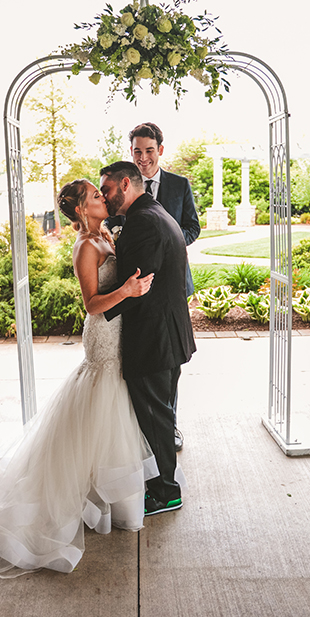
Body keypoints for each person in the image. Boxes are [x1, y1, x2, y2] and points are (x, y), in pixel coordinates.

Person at [0, 179, 154, 580]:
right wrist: (126, 290)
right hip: (103, 334)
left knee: (109, 414)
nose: (103, 198)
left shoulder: (106, 234)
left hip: (121, 331)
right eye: (95, 196)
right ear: (81, 209)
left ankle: (100, 492)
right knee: (103, 406)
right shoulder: (85, 247)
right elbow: (91, 305)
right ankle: (94, 498)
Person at [99, 161, 195, 514]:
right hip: (167, 334)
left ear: (125, 184)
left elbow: (133, 286)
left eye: (107, 189)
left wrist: (99, 312)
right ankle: (163, 481)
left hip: (154, 337)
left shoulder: (142, 222)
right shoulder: (151, 213)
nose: (105, 197)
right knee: (161, 415)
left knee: (156, 418)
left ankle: (165, 491)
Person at [125, 122, 200, 452]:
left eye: (149, 151)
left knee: (170, 363)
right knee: (145, 363)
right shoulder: (123, 184)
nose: (143, 158)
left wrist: (168, 244)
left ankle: (169, 427)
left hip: (172, 284)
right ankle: (145, 428)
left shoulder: (179, 185)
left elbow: (192, 227)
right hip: (135, 283)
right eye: (137, 151)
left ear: (161, 150)